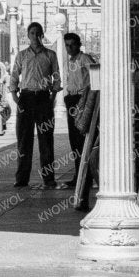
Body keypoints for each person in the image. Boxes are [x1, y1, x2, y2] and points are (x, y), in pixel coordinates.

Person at [10, 23, 60, 190]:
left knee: (46, 140)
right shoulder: (22, 55)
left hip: (43, 98)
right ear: (28, 35)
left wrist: (53, 95)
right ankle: (22, 178)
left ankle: (49, 178)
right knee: (24, 140)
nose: (35, 36)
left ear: (42, 35)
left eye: (38, 33)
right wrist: (15, 97)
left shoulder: (50, 55)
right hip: (26, 97)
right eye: (32, 33)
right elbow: (14, 76)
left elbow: (56, 77)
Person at [60, 32, 98, 191]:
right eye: (67, 45)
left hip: (82, 99)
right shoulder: (71, 61)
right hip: (72, 99)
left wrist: (91, 96)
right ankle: (79, 174)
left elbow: (96, 76)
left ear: (78, 44)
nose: (69, 48)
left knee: (83, 138)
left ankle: (87, 176)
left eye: (72, 45)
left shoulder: (84, 59)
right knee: (74, 140)